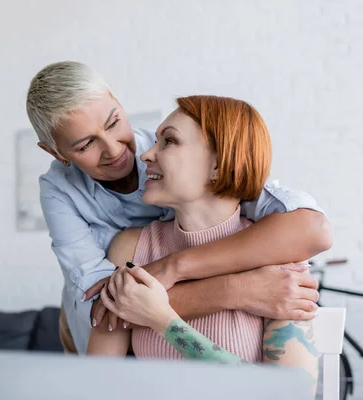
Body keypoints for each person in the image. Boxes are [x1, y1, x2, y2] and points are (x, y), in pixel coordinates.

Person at [25, 61, 331, 355]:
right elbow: (112, 307)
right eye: (84, 145)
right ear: (54, 152)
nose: (116, 150)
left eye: (114, 122)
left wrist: (174, 266)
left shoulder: (177, 160)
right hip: (95, 333)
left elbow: (311, 229)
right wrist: (237, 290)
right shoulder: (62, 194)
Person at [86, 95, 318, 392]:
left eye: (168, 141)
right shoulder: (131, 249)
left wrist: (165, 322)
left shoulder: (280, 262)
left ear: (220, 164)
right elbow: (95, 385)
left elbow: (287, 393)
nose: (146, 155)